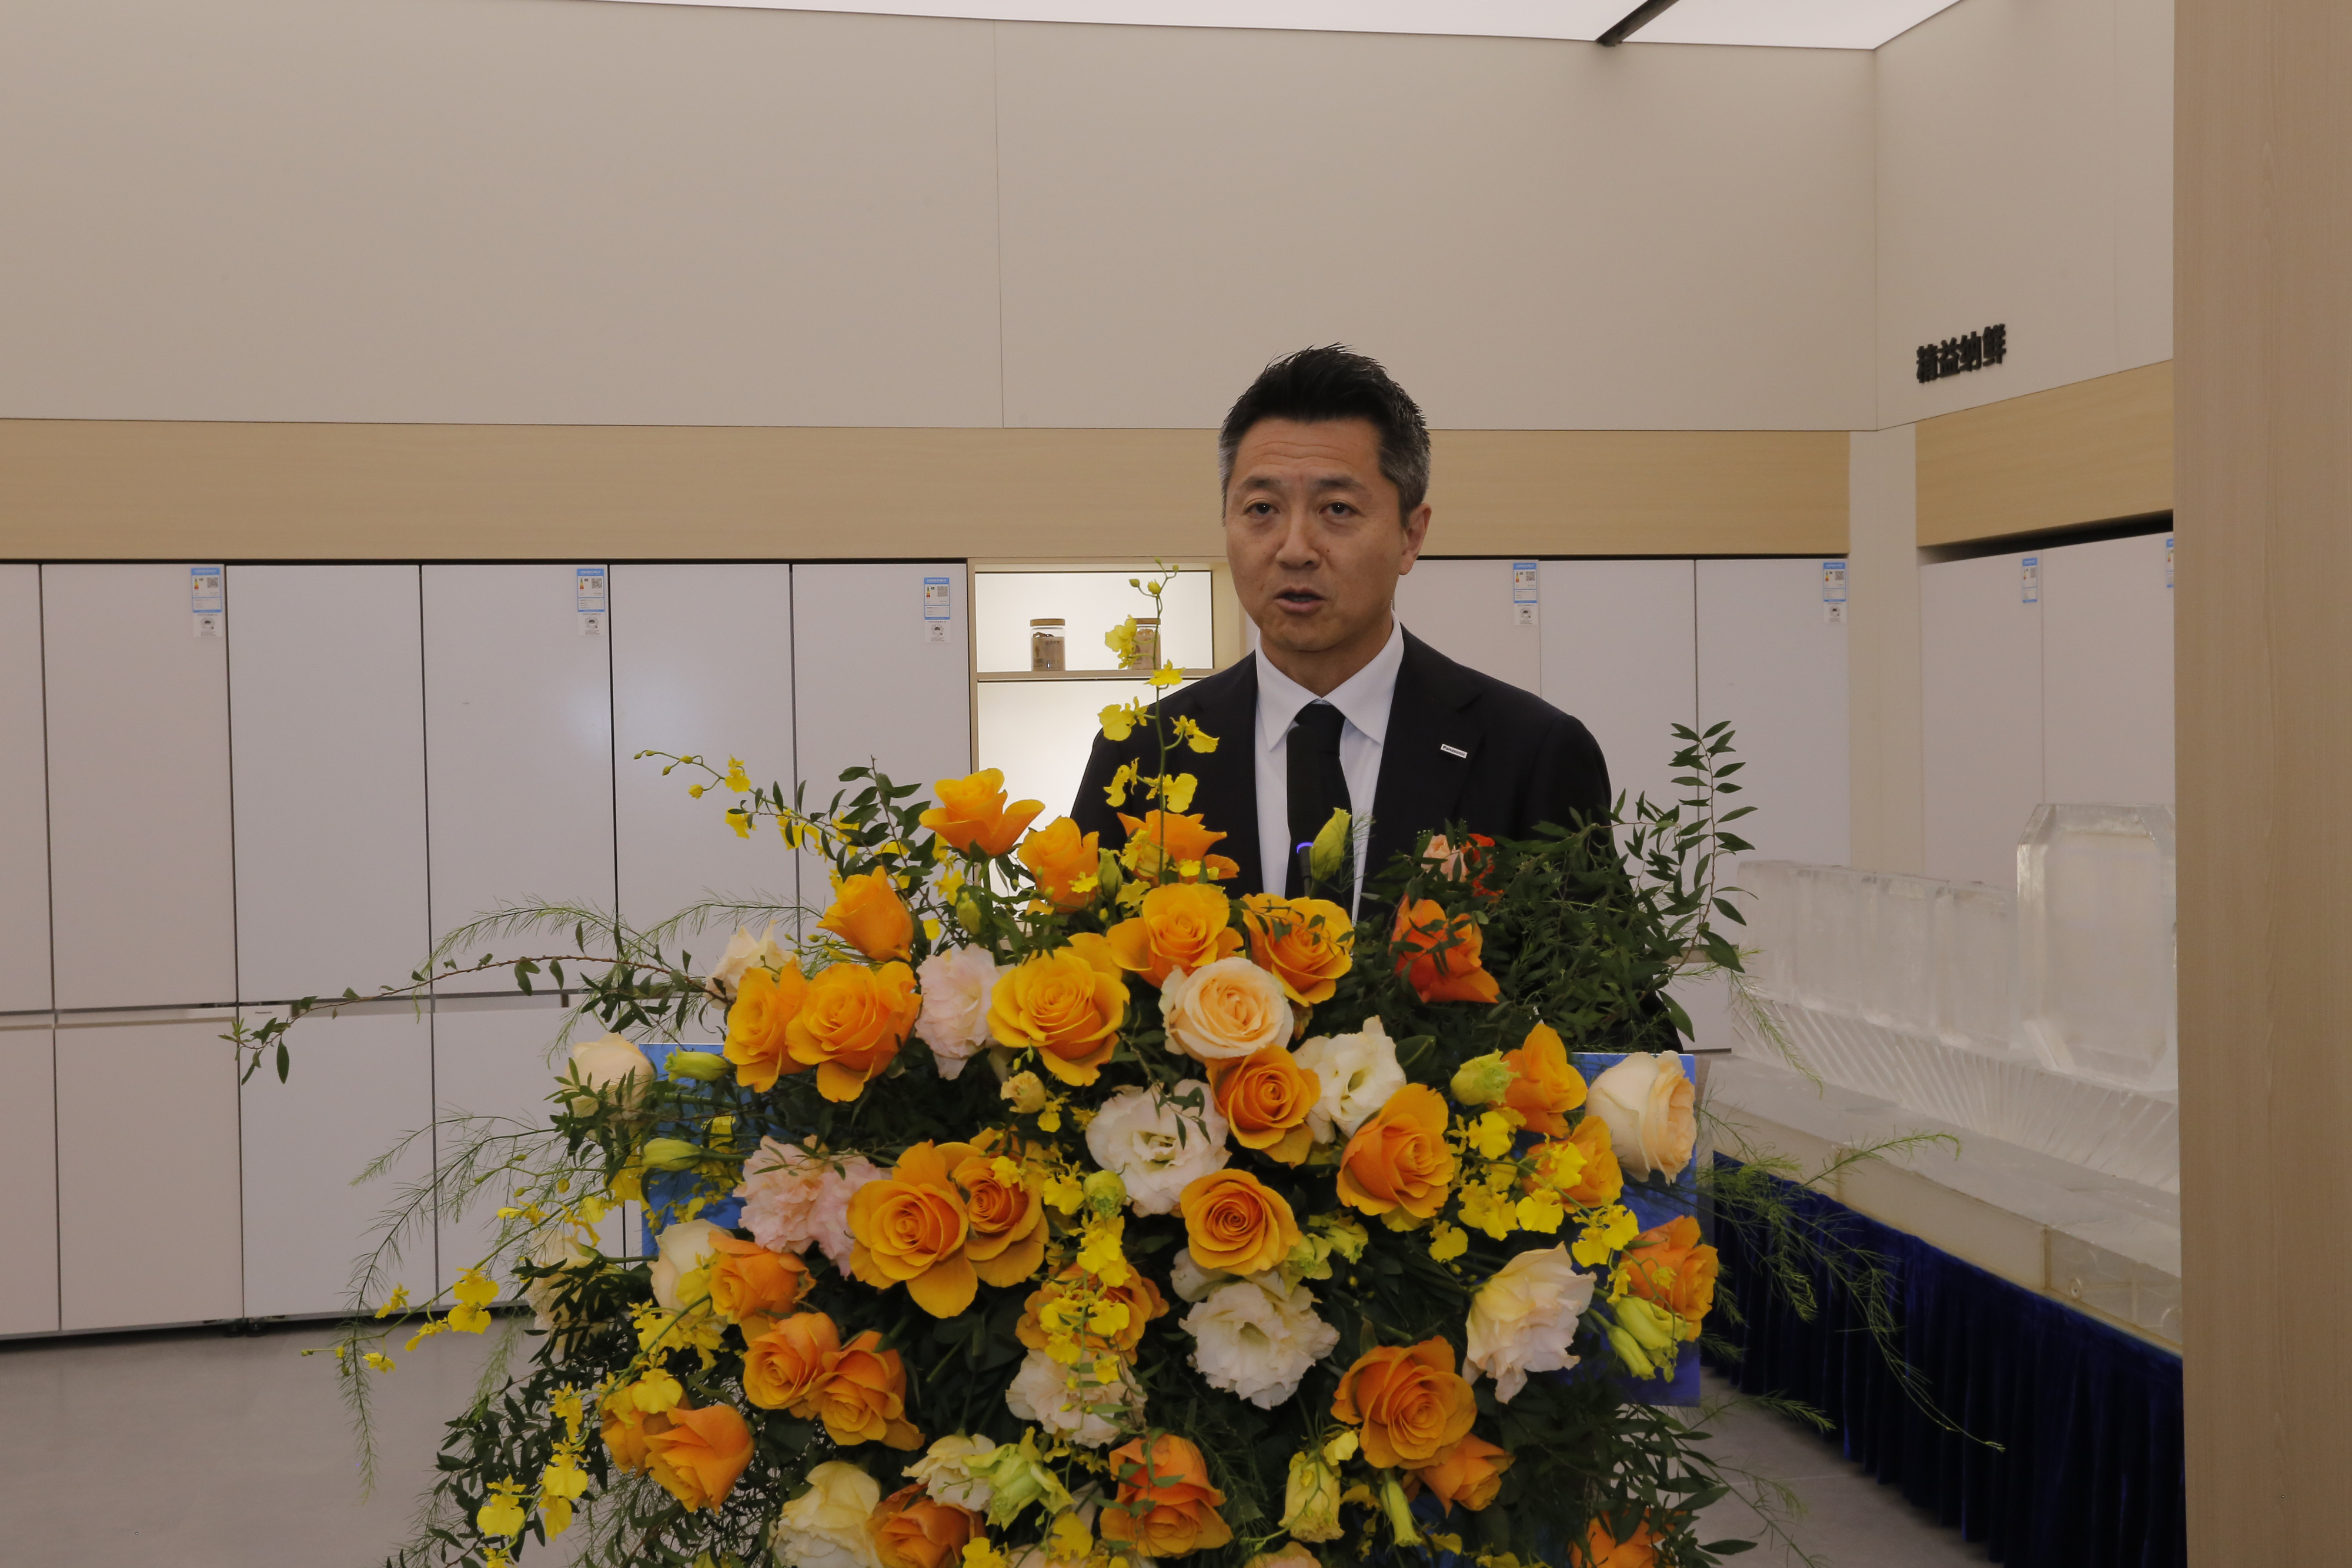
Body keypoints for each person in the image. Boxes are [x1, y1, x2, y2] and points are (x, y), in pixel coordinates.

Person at [1071, 345, 1611, 912]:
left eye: (1337, 509)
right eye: (1262, 509)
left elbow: (1597, 968)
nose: (1295, 549)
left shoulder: (1531, 753)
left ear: (1411, 536)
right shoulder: (1142, 754)